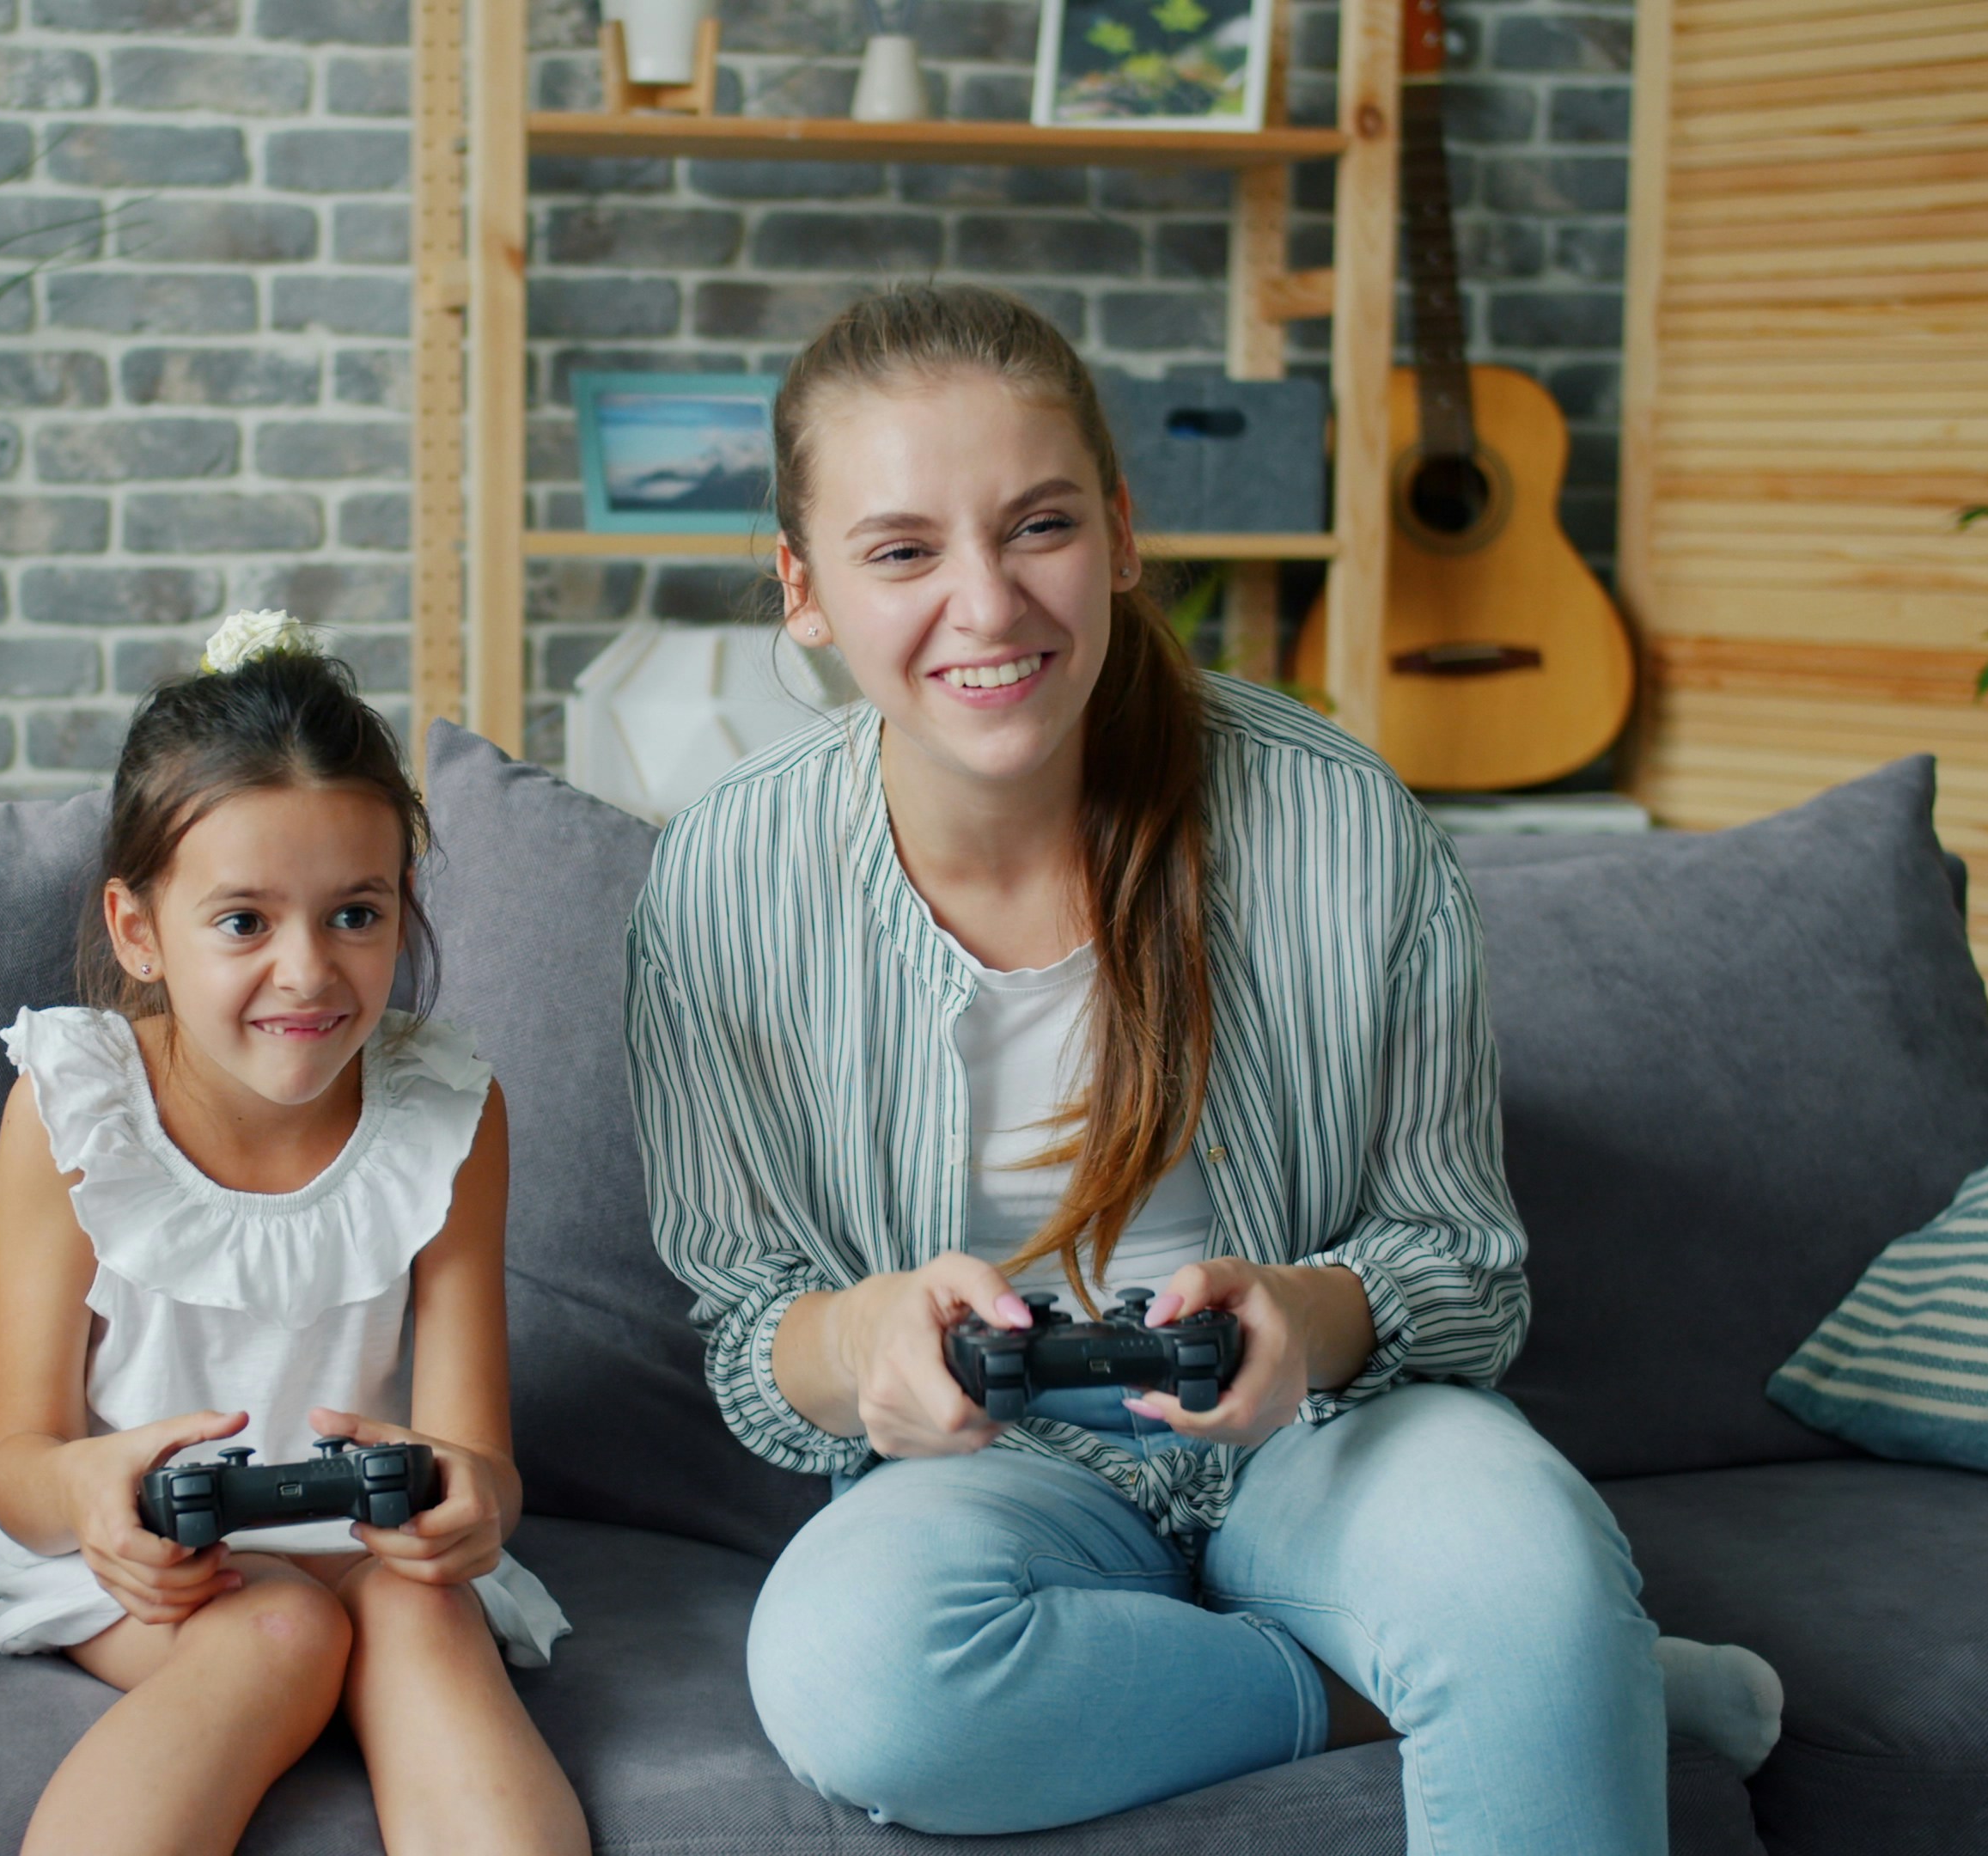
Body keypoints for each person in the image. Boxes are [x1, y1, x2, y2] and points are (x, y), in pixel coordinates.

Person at [625, 284, 1779, 1851]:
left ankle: (1549, 1664)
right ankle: (1515, 1691)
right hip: (995, 1469)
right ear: (804, 589)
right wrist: (864, 1338)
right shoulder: (719, 883)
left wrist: (1307, 1316)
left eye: (1039, 527)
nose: (987, 606)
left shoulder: (1337, 815)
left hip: (1327, 1430)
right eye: (901, 552)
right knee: (863, 1680)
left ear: (1119, 531)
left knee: (1533, 1584)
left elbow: (1464, 1262)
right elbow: (751, 1325)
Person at [0, 614, 585, 1856]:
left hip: (371, 1549)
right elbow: (18, 1466)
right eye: (244, 922)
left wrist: (474, 1502)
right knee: (282, 1627)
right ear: (139, 931)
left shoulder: (450, 1114)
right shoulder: (72, 1104)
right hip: (147, 1552)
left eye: (354, 915)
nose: (307, 972)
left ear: (403, 911)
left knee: (421, 1613)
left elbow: (482, 1464)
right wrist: (95, 1494)